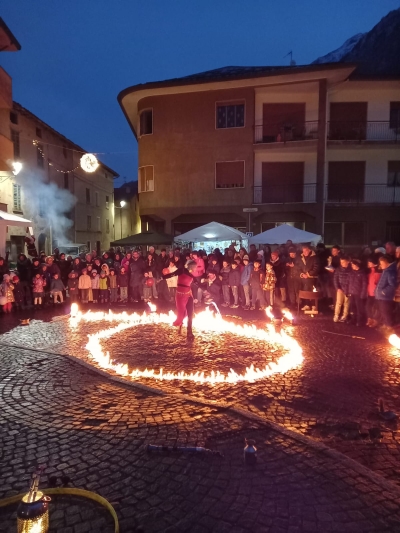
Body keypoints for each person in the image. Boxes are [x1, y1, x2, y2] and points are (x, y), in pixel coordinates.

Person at [163, 259, 197, 340]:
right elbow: (172, 274)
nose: (196, 268)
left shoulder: (192, 275)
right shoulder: (181, 270)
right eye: (195, 266)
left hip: (189, 295)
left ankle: (189, 332)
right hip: (180, 295)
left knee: (190, 313)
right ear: (191, 266)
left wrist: (205, 291)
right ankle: (180, 326)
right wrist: (162, 278)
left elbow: (196, 284)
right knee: (181, 312)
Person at [375, 254, 397, 328]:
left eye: (382, 263)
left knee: (386, 312)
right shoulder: (385, 271)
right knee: (383, 312)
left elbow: (392, 285)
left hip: (386, 297)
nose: (380, 265)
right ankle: (386, 325)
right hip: (381, 296)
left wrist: (383, 292)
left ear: (387, 263)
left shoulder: (390, 272)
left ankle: (389, 327)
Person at [297, 246, 319, 311]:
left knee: (312, 292)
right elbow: (298, 268)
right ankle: (307, 305)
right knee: (305, 291)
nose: (304, 252)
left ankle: (313, 305)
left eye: (306, 251)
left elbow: (316, 268)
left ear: (309, 250)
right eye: (303, 251)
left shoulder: (315, 258)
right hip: (304, 279)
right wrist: (302, 274)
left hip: (312, 278)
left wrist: (308, 274)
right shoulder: (301, 258)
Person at [348, 259, 367, 326]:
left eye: (353, 264)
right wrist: (348, 291)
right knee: (353, 307)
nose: (352, 266)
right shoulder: (351, 273)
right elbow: (349, 282)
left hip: (358, 293)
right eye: (351, 265)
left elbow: (364, 284)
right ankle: (353, 319)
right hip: (352, 292)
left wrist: (362, 294)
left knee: (359, 308)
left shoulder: (362, 273)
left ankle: (360, 321)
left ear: (357, 265)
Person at [333, 255, 352, 322]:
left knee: (347, 303)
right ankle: (336, 315)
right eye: (341, 262)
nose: (342, 263)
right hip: (340, 289)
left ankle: (344, 316)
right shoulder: (338, 269)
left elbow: (352, 280)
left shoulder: (351, 269)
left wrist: (350, 289)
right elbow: (335, 279)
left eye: (343, 262)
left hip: (348, 289)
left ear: (348, 262)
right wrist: (337, 288)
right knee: (338, 302)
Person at [366, 254, 381, 327]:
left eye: (369, 262)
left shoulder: (377, 273)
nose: (368, 264)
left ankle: (376, 321)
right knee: (368, 306)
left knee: (376, 308)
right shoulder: (370, 272)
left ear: (373, 263)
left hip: (376, 293)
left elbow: (378, 283)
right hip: (370, 293)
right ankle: (370, 319)